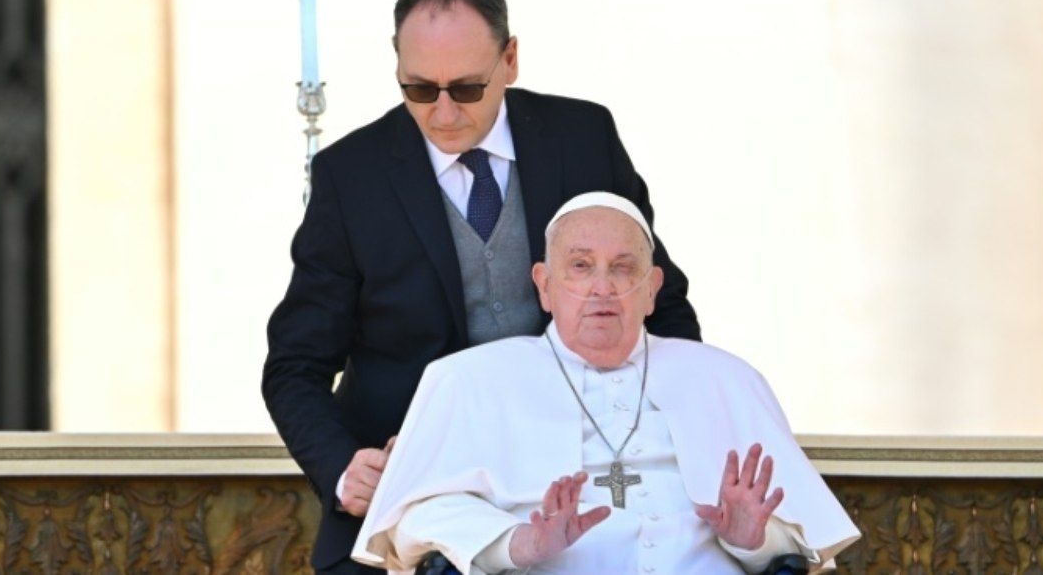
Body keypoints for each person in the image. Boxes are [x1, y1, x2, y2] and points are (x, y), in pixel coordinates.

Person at [263, 0, 701, 574]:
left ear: (511, 59)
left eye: (467, 88)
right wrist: (343, 467)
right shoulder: (350, 176)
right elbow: (294, 366)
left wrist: (677, 445)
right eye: (419, 89)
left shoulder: (582, 139)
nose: (443, 113)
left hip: (579, 478)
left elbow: (661, 305)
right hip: (416, 489)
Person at [352, 192, 859, 574]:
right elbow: (410, 521)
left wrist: (753, 540)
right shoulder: (467, 380)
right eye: (579, 267)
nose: (602, 287)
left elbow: (799, 545)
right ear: (544, 286)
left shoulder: (724, 378)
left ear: (652, 289)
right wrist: (516, 544)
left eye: (623, 269)